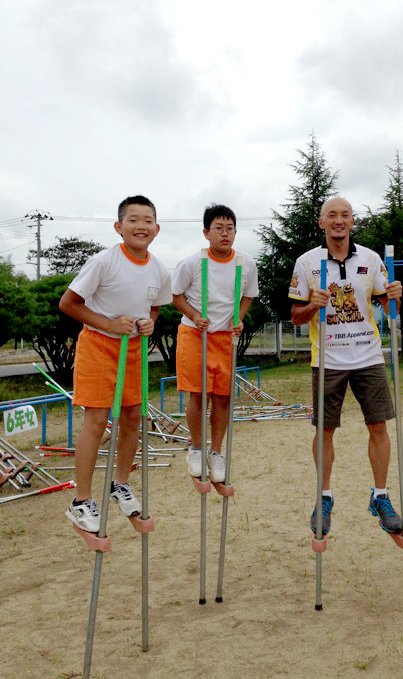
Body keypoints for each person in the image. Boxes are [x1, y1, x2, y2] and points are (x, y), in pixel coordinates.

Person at [288, 196, 403, 537]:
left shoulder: (371, 258)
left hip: (368, 355)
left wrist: (395, 292)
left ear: (353, 221)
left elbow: (388, 303)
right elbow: (295, 317)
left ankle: (380, 496)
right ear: (321, 222)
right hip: (328, 358)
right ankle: (323, 497)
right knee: (324, 430)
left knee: (378, 425)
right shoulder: (306, 263)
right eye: (331, 215)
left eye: (345, 215)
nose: (339, 220)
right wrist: (313, 305)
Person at [59, 195, 172, 532]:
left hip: (133, 350)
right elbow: (69, 302)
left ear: (157, 228)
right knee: (96, 421)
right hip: (98, 346)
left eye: (147, 220)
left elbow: (154, 306)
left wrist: (149, 322)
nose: (141, 226)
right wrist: (106, 324)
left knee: (134, 418)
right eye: (133, 220)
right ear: (119, 227)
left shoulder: (159, 269)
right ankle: (81, 501)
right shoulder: (104, 262)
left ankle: (120, 483)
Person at [172, 204, 258, 482]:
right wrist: (194, 315)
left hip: (225, 337)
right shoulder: (191, 263)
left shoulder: (246, 263)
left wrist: (240, 318)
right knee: (198, 394)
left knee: (224, 396)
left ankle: (216, 451)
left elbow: (248, 296)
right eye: (219, 229)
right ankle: (196, 447)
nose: (225, 234)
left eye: (230, 229)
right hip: (196, 335)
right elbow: (174, 295)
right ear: (206, 233)